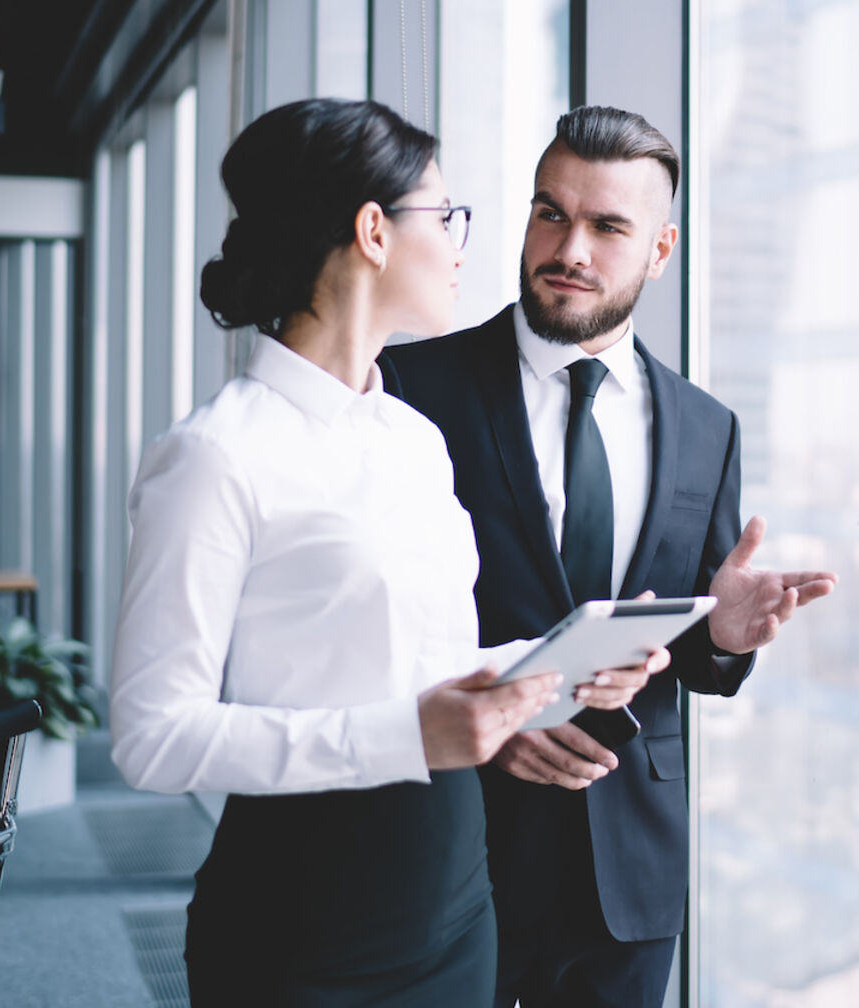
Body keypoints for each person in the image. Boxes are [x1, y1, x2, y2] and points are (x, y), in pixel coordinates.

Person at [106, 98, 661, 1007]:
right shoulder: (215, 456)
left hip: (451, 904)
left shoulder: (413, 439)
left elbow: (423, 667)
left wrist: (555, 667)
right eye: (444, 216)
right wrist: (407, 734)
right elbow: (152, 736)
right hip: (302, 921)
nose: (459, 244)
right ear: (373, 230)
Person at [380, 106, 838, 1008]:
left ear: (660, 251)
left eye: (607, 226)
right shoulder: (411, 389)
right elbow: (370, 623)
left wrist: (728, 633)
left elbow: (692, 658)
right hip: (455, 848)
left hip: (628, 872)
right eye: (551, 213)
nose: (570, 248)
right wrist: (488, 716)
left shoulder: (708, 428)